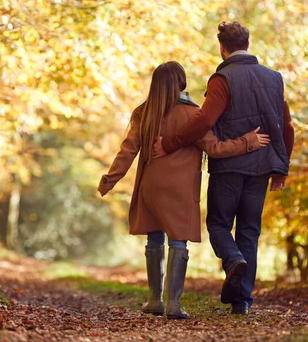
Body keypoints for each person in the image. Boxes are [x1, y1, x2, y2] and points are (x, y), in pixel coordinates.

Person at [98, 61, 270, 320]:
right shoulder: (194, 115)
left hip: (150, 186)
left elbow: (127, 151)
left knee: (154, 238)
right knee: (178, 241)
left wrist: (109, 180)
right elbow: (215, 149)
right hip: (180, 189)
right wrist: (247, 142)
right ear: (182, 82)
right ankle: (174, 305)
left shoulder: (144, 113)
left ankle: (155, 300)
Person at [153, 22, 295, 315]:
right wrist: (282, 168)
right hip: (262, 166)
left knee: (218, 224)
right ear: (248, 42)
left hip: (228, 167)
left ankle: (232, 260)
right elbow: (287, 126)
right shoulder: (274, 79)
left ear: (222, 47)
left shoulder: (223, 79)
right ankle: (242, 302)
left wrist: (169, 144)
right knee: (249, 231)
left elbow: (204, 121)